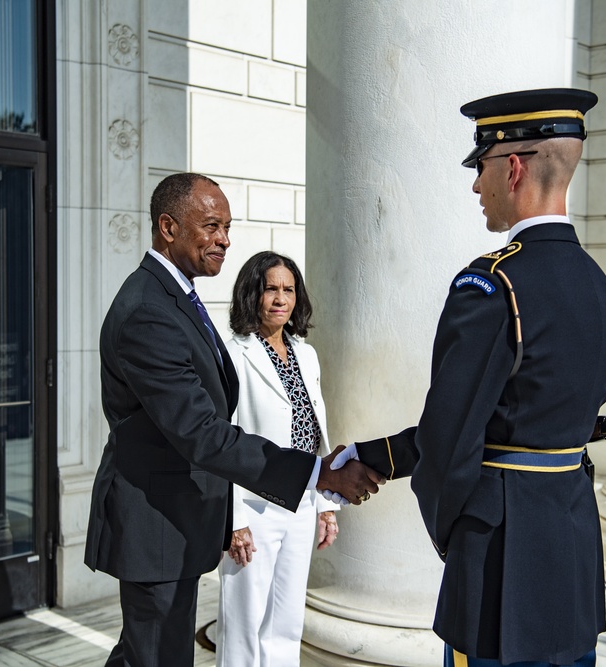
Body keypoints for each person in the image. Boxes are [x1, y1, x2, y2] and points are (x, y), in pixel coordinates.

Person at [330, 89, 606, 666]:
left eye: (480, 167)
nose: (474, 186)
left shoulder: (491, 286)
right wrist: (377, 455)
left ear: (512, 168)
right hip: (572, 541)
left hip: (501, 559)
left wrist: (456, 537)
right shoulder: (600, 288)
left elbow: (451, 438)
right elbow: (524, 417)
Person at [84, 172, 383, 667]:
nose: (224, 238)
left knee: (148, 655)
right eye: (211, 225)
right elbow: (202, 432)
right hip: (155, 525)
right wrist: (315, 472)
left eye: (227, 226)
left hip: (177, 520)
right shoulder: (148, 311)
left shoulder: (176, 297)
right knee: (158, 656)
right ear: (168, 226)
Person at [215, 252, 339, 667]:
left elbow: (317, 431)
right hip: (254, 506)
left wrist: (324, 504)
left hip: (302, 501)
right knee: (243, 627)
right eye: (271, 288)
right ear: (253, 294)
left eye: (288, 289)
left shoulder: (306, 354)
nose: (281, 298)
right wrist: (233, 521)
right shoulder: (233, 355)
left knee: (286, 624)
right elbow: (222, 440)